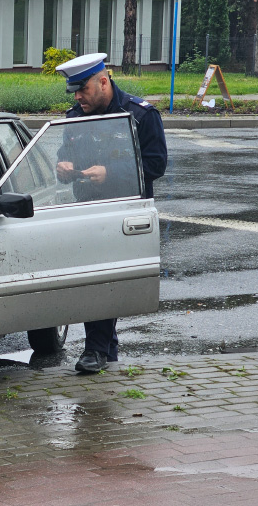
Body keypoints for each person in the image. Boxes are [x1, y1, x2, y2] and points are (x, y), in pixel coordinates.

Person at [54, 52, 168, 373]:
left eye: (83, 89)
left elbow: (156, 164)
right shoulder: (75, 116)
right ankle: (105, 352)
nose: (77, 97)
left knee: (104, 282)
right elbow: (66, 153)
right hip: (89, 210)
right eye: (74, 92)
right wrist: (63, 168)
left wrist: (112, 173)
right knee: (96, 281)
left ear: (103, 82)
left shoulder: (141, 115)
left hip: (124, 214)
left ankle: (95, 350)